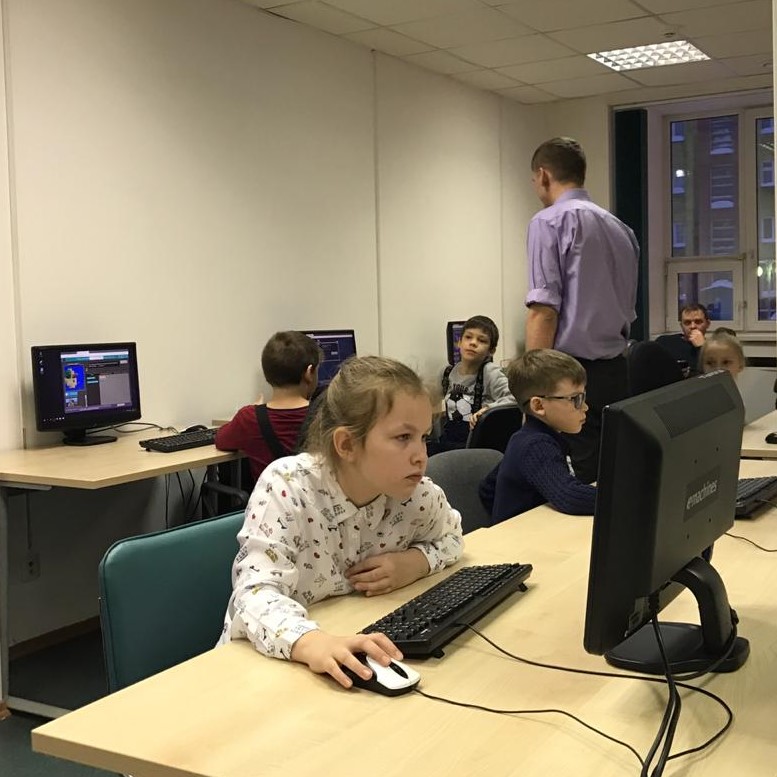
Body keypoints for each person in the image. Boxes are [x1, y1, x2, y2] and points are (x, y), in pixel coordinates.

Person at [218, 355, 463, 689]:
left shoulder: (415, 495)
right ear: (347, 444)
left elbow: (453, 536)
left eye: (423, 437)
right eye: (403, 437)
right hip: (266, 664)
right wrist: (310, 642)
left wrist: (417, 563)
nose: (421, 455)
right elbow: (253, 594)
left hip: (352, 645)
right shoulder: (288, 486)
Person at [525, 137, 639, 484]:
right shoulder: (621, 229)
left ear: (544, 175)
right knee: (612, 478)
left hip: (568, 375)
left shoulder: (548, 222)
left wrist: (532, 389)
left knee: (571, 484)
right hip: (617, 371)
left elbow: (544, 311)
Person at [479, 349, 596, 524]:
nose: (585, 407)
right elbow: (570, 496)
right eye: (576, 399)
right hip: (521, 538)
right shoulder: (535, 444)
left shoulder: (532, 436)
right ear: (539, 406)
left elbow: (487, 488)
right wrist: (624, 498)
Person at [214, 331, 321, 485]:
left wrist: (253, 409)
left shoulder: (249, 418)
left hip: (274, 500)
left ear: (267, 373)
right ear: (309, 373)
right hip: (318, 500)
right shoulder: (326, 415)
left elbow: (221, 440)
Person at [428, 314, 515, 455]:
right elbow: (428, 398)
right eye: (468, 337)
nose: (473, 343)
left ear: (491, 351)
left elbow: (514, 398)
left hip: (477, 445)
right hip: (450, 440)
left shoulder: (490, 372)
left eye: (482, 340)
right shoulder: (447, 373)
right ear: (459, 342)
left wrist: (488, 409)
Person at [655, 303, 711, 376]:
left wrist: (702, 348)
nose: (693, 326)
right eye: (687, 323)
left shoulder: (714, 347)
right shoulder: (664, 342)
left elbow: (711, 373)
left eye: (698, 322)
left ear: (707, 324)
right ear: (681, 325)